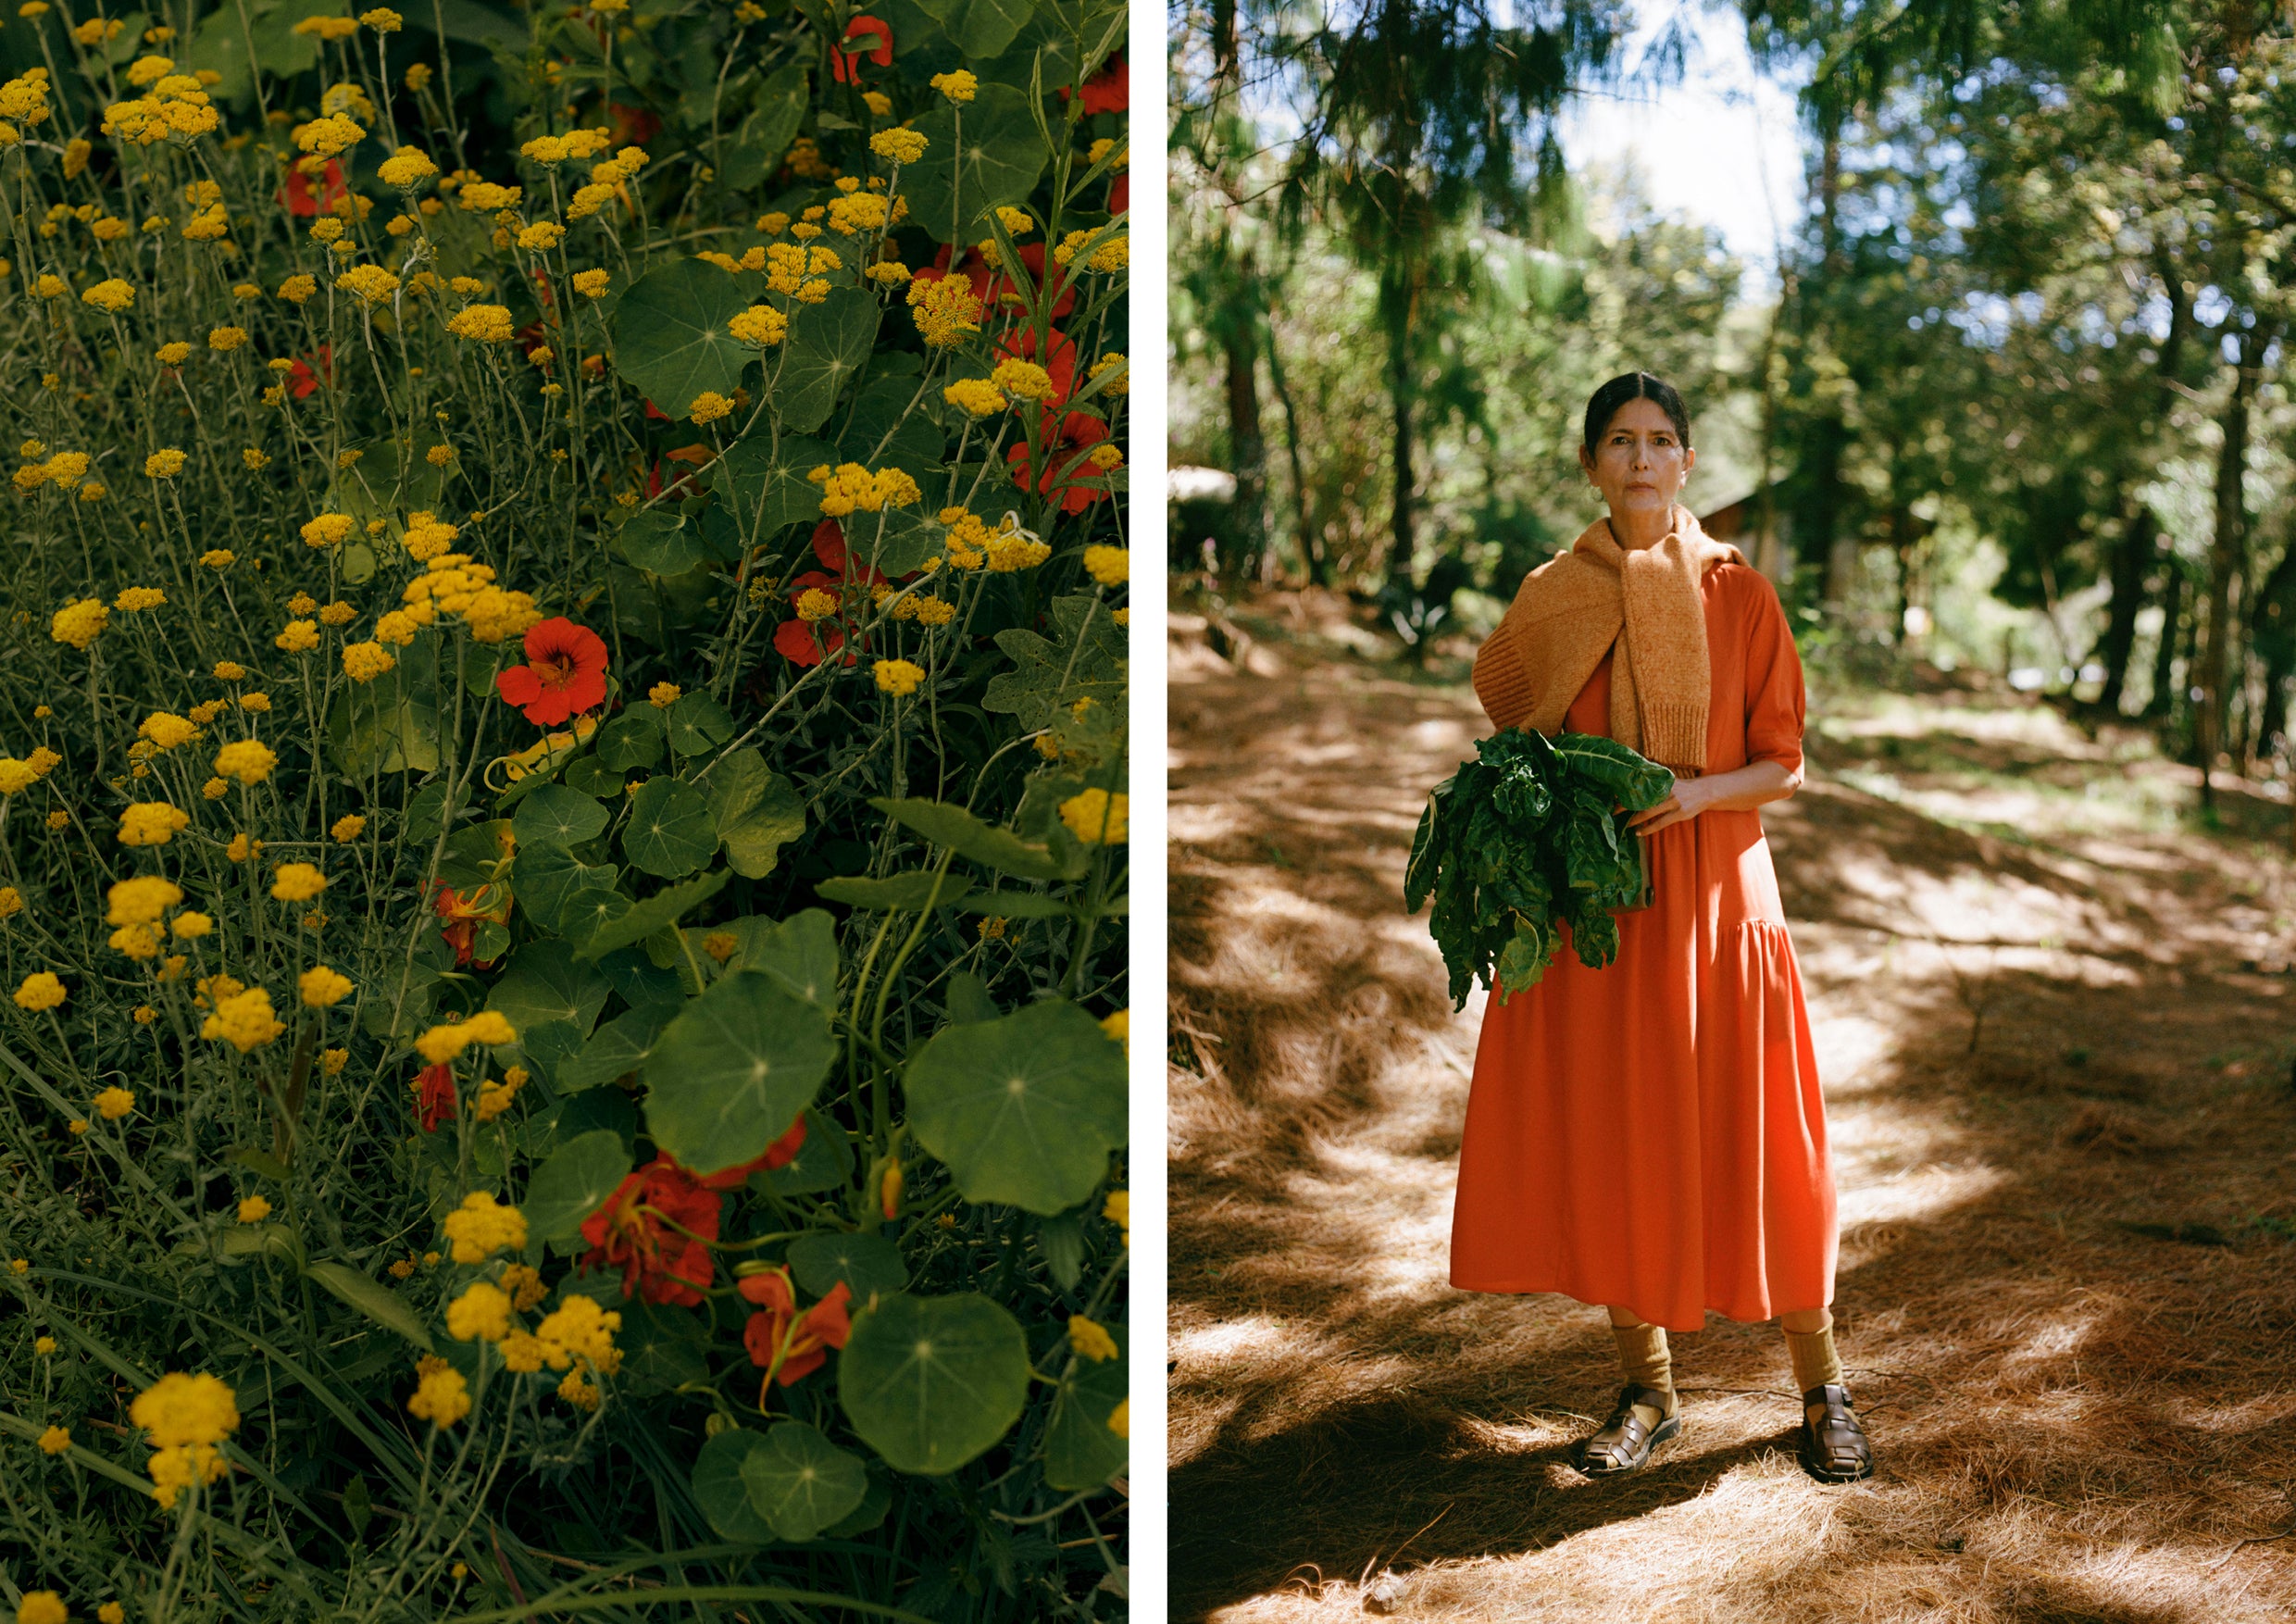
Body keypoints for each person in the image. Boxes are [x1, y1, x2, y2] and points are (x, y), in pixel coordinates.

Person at [1447, 371, 1871, 1484]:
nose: (1640, 458)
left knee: (1762, 1135)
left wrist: (1690, 794)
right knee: (1620, 1134)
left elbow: (1781, 762)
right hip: (1603, 912)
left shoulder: (1738, 592)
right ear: (1591, 462)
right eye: (1619, 440)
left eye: (1661, 440)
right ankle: (1648, 1389)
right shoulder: (1550, 596)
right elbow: (1507, 712)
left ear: (1687, 462)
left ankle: (1820, 1381)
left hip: (1719, 894)